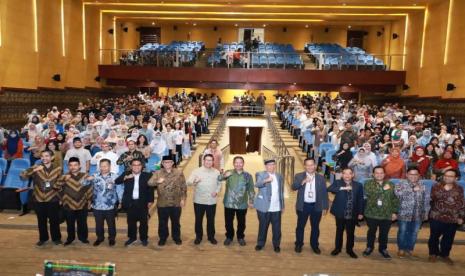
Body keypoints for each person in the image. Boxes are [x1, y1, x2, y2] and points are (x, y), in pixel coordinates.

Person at [19, 150, 62, 246]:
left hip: (53, 198)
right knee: (41, 220)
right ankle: (43, 238)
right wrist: (34, 170)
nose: (44, 158)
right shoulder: (35, 167)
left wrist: (60, 197)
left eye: (47, 156)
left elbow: (61, 183)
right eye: (42, 156)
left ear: (52, 158)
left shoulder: (58, 169)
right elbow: (22, 176)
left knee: (54, 220)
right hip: (39, 198)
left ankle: (56, 238)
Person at [428, 169, 465, 265]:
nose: (447, 177)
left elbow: (461, 203)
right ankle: (433, 253)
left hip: (453, 218)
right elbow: (433, 198)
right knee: (434, 237)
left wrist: (461, 216)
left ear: (456, 178)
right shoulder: (436, 186)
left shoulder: (459, 188)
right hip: (436, 216)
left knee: (449, 238)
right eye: (446, 175)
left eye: (450, 176)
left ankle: (445, 254)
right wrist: (444, 189)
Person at [292, 158, 329, 254]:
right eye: (307, 165)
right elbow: (293, 187)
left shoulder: (321, 178)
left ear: (315, 166)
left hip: (316, 206)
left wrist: (325, 206)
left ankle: (314, 245)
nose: (310, 167)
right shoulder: (299, 176)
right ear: (304, 166)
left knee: (315, 227)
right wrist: (302, 182)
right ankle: (299, 244)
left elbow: (324, 193)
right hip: (303, 205)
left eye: (312, 165)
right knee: (300, 226)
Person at [115, 159, 155, 247]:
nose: (136, 167)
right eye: (134, 165)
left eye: (138, 165)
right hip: (130, 202)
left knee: (144, 222)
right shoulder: (126, 174)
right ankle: (132, 238)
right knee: (131, 222)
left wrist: (151, 200)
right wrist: (125, 177)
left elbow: (150, 189)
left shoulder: (147, 175)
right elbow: (117, 181)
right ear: (131, 166)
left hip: (143, 202)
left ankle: (143, 238)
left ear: (141, 166)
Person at [148, 155, 187, 246]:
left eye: (169, 162)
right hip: (162, 203)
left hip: (176, 202)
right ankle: (163, 238)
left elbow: (183, 186)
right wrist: (157, 181)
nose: (167, 164)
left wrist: (183, 199)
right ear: (162, 163)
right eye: (165, 162)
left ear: (173, 163)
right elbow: (149, 183)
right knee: (162, 222)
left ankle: (176, 237)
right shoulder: (157, 173)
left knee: (176, 222)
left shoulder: (179, 172)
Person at [362, 166, 399, 259]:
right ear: (373, 174)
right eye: (377, 173)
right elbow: (372, 194)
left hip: (387, 214)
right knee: (371, 232)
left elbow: (395, 199)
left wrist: (395, 212)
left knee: (384, 233)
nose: (379, 175)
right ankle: (369, 247)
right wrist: (383, 189)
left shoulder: (391, 184)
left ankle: (383, 249)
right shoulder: (367, 183)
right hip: (371, 213)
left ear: (384, 174)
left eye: (381, 173)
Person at [55, 157, 93, 246]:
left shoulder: (85, 176)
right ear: (68, 166)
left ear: (79, 166)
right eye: (71, 165)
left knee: (82, 223)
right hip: (68, 205)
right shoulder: (64, 176)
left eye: (75, 165)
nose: (73, 167)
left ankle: (83, 238)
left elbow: (89, 189)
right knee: (70, 224)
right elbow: (56, 187)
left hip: (82, 204)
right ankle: (70, 238)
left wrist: (89, 201)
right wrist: (63, 179)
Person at [218, 156, 255, 246]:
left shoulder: (248, 176)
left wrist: (251, 201)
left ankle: (240, 237)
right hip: (229, 203)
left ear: (243, 163)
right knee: (228, 222)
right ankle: (229, 236)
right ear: (233, 164)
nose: (238, 164)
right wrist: (223, 175)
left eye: (240, 162)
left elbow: (251, 189)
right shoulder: (229, 172)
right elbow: (219, 178)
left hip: (242, 204)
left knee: (241, 222)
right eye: (236, 162)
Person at [328, 168, 364, 258]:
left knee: (350, 232)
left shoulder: (358, 185)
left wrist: (360, 212)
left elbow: (360, 199)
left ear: (353, 175)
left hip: (352, 212)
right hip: (340, 212)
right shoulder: (337, 182)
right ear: (342, 175)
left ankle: (349, 250)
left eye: (349, 173)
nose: (347, 175)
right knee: (339, 231)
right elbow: (329, 188)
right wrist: (343, 188)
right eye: (345, 173)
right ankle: (337, 248)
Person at [86, 159, 123, 247]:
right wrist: (88, 179)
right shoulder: (95, 176)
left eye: (105, 166)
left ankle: (112, 238)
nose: (103, 168)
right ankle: (100, 238)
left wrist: (121, 201)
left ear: (109, 166)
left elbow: (119, 189)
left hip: (110, 206)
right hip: (97, 206)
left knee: (111, 224)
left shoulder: (115, 177)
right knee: (98, 224)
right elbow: (83, 184)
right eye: (101, 166)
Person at [395, 167, 431, 258]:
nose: (413, 176)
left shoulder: (422, 185)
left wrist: (426, 212)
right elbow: (398, 195)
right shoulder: (401, 184)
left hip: (418, 214)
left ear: (419, 175)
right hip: (404, 213)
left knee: (414, 233)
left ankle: (410, 249)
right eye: (411, 174)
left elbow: (426, 200)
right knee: (402, 232)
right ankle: (401, 249)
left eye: (416, 174)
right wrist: (412, 190)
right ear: (407, 175)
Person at [187, 154, 221, 245]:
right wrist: (195, 181)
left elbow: (219, 184)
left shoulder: (216, 172)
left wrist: (217, 192)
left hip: (211, 201)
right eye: (207, 160)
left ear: (213, 162)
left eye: (210, 160)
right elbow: (188, 182)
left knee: (211, 220)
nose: (208, 162)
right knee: (198, 220)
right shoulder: (196, 171)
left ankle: (211, 237)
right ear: (203, 161)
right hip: (199, 200)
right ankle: (198, 236)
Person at [254, 159, 285, 253]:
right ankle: (260, 243)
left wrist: (282, 205)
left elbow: (281, 192)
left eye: (273, 164)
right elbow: (257, 184)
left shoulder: (279, 176)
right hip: (264, 206)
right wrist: (266, 180)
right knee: (263, 226)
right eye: (269, 165)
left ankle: (276, 245)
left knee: (277, 228)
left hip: (276, 207)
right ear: (266, 166)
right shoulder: (260, 174)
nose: (271, 166)